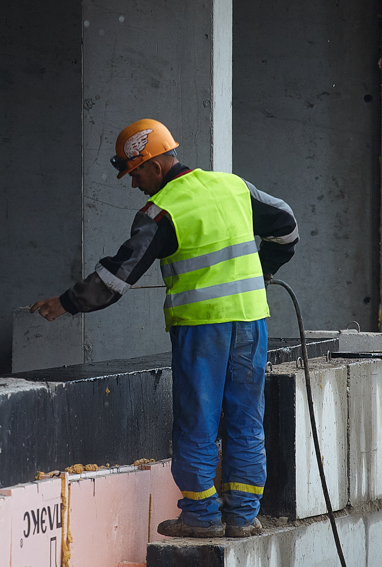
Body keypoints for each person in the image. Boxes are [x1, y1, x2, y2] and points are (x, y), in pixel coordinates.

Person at [30, 118, 298, 538]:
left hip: (202, 329)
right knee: (246, 418)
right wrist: (263, 270)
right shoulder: (234, 187)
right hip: (251, 322)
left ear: (154, 164)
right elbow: (286, 226)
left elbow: (118, 278)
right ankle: (243, 516)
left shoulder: (161, 211)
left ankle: (202, 517)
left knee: (198, 420)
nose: (135, 183)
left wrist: (64, 303)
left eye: (135, 172)